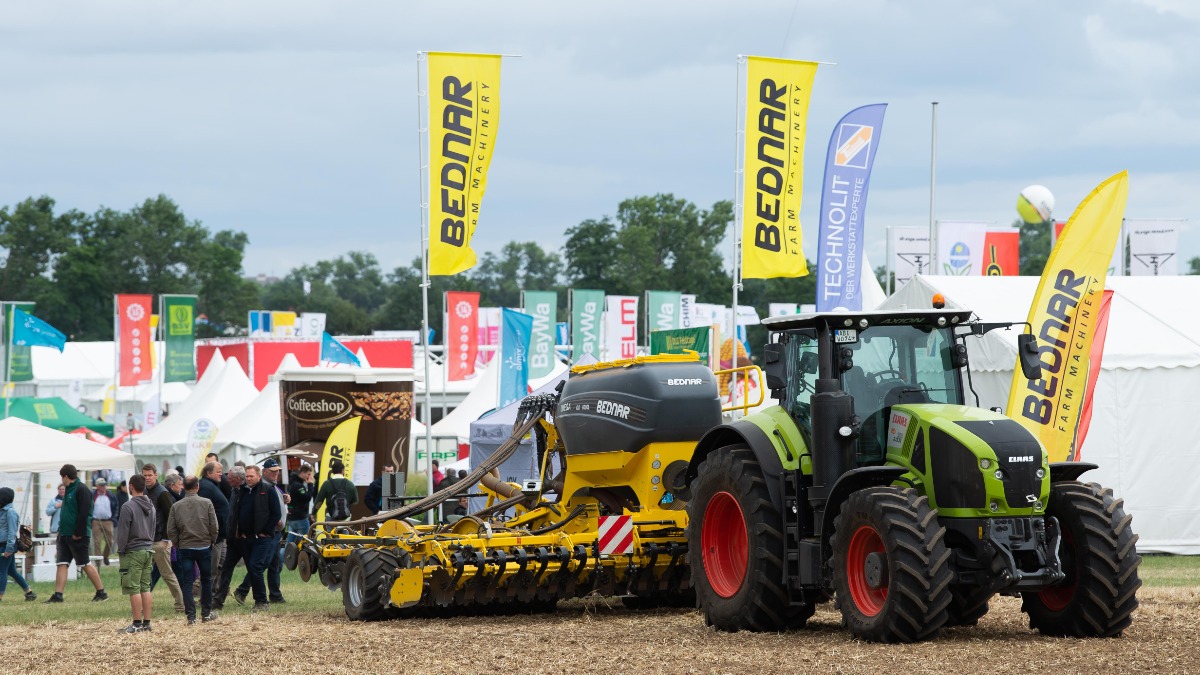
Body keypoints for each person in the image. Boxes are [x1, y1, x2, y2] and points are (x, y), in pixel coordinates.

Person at [44, 464, 108, 603]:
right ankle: (58, 595)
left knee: (84, 563)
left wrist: (78, 532)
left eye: (62, 477)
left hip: (78, 534)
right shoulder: (68, 489)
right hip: (64, 533)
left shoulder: (82, 489)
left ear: (66, 476)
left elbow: (85, 512)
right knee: (62, 563)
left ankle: (101, 592)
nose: (62, 480)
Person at [166, 476, 219, 625]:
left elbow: (171, 529)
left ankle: (191, 616)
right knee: (206, 580)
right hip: (204, 545)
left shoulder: (176, 506)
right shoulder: (206, 503)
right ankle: (206, 613)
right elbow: (214, 525)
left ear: (184, 487)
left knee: (187, 582)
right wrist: (212, 540)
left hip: (185, 546)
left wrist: (177, 543)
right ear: (197, 487)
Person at [227, 465, 279, 611]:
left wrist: (266, 531)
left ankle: (262, 601)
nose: (249, 479)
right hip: (246, 538)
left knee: (256, 567)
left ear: (259, 476)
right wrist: (240, 531)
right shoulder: (242, 491)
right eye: (247, 476)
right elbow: (236, 512)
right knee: (252, 568)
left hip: (263, 538)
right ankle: (256, 599)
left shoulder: (268, 490)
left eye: (251, 476)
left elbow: (276, 514)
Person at [142, 465, 185, 613]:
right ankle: (143, 605)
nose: (147, 478)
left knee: (168, 575)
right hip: (147, 540)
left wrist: (167, 539)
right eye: (145, 475)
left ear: (156, 475)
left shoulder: (162, 493)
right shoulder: (144, 491)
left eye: (149, 475)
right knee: (145, 576)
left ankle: (181, 604)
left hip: (160, 541)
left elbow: (171, 517)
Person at [116, 474, 155, 633]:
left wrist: (121, 549)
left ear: (131, 486)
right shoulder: (151, 505)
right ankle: (147, 623)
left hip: (133, 551)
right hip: (148, 549)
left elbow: (123, 532)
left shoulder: (128, 506)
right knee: (146, 587)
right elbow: (153, 527)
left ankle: (136, 623)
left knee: (133, 588)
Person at [212, 465, 246, 610]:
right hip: (233, 538)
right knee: (226, 568)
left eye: (230, 478)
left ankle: (260, 599)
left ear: (238, 479)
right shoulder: (234, 491)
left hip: (245, 538)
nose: (227, 480)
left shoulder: (246, 492)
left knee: (254, 568)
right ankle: (218, 600)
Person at [0, 487, 36, 601]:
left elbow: (12, 532)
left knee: (2, 571)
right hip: (3, 544)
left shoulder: (10, 512)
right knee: (12, 571)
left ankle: (0, 595)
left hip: (6, 545)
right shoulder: (2, 511)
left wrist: (9, 549)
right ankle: (29, 592)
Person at [198, 461, 229, 591]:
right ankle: (205, 598)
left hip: (220, 536)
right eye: (218, 471)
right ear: (208, 473)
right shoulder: (206, 487)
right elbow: (201, 511)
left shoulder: (213, 485)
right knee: (211, 570)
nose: (221, 474)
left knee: (220, 566)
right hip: (213, 537)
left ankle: (216, 594)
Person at [286, 464, 315, 544]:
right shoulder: (298, 485)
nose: (309, 477)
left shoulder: (292, 483)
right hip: (300, 517)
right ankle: (301, 556)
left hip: (291, 516)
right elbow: (307, 497)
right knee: (305, 542)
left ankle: (285, 555)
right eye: (308, 474)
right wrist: (310, 484)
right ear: (302, 473)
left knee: (289, 542)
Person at [91, 477, 117, 566]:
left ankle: (105, 556)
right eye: (101, 485)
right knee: (97, 542)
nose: (103, 487)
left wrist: (113, 518)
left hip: (108, 521)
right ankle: (98, 562)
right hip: (96, 521)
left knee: (110, 541)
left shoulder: (111, 495)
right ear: (97, 486)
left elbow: (116, 506)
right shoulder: (93, 495)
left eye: (104, 485)